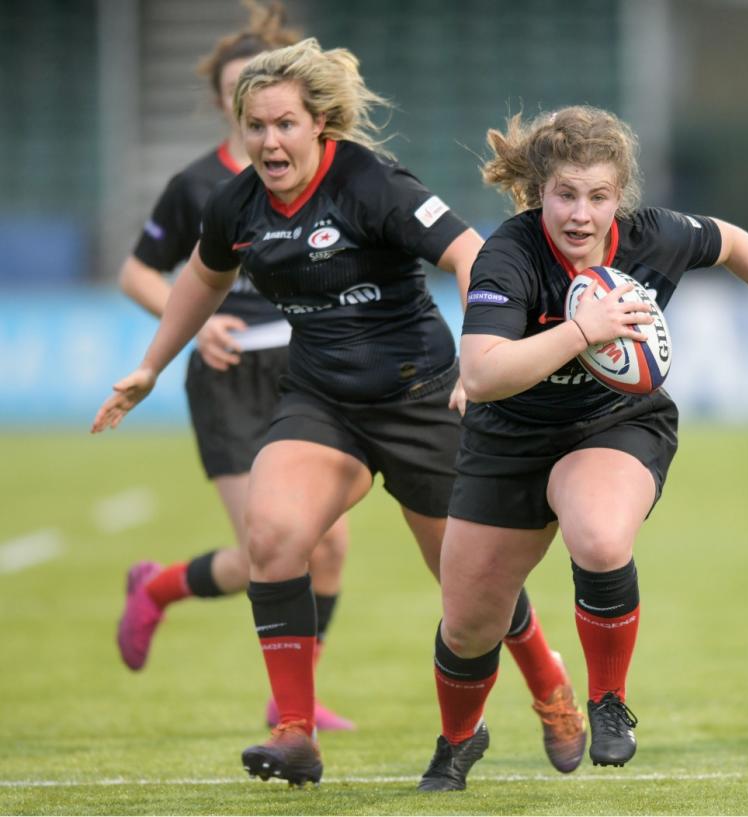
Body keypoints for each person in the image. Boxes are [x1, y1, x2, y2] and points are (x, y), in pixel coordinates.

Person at [93, 38, 585, 786]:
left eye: (283, 124)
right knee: (273, 531)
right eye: (254, 126)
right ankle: (294, 731)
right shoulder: (238, 202)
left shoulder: (371, 181)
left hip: (422, 398)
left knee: (473, 589)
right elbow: (200, 278)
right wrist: (150, 367)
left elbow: (468, 252)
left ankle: (549, 683)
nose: (268, 141)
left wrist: (480, 353)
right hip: (322, 401)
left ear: (318, 123)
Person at [413, 105, 748, 792]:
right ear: (538, 192)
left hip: (615, 423)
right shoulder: (511, 252)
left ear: (620, 196)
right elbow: (480, 373)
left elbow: (735, 243)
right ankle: (459, 741)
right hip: (508, 439)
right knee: (468, 625)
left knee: (598, 535)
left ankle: (608, 699)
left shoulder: (655, 237)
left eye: (597, 196)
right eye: (565, 194)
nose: (581, 214)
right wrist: (582, 330)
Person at [113, 0, 356, 733]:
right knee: (273, 546)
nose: (252, 102)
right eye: (235, 91)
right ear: (226, 102)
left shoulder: (326, 175)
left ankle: (293, 699)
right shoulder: (200, 188)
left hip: (305, 370)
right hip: (227, 379)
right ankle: (157, 587)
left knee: (330, 545)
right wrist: (197, 322)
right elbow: (138, 272)